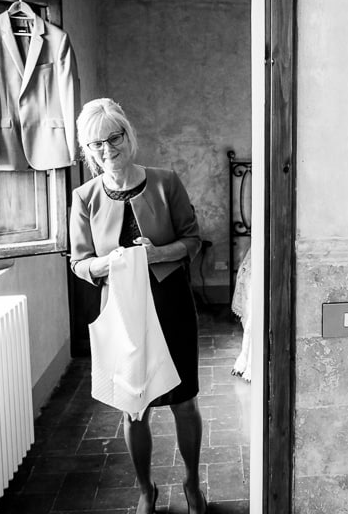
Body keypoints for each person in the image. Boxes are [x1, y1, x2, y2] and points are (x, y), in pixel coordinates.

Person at [69, 98, 207, 514]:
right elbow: (78, 262)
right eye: (96, 144)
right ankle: (146, 489)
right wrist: (106, 264)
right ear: (87, 151)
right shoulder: (84, 197)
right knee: (134, 409)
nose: (107, 150)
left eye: (114, 138)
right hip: (122, 314)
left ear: (129, 135)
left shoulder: (166, 182)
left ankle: (191, 482)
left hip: (171, 307)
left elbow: (193, 240)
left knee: (184, 402)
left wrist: (157, 254)